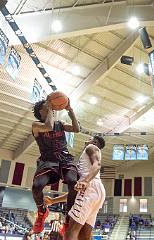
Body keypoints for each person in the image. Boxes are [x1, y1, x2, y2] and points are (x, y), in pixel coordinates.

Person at [31, 99, 80, 233]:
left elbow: (77, 129)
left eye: (49, 107)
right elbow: (48, 127)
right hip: (48, 161)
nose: (49, 108)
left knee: (73, 182)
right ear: (39, 111)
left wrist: (70, 110)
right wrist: (50, 107)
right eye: (45, 107)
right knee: (36, 187)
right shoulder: (36, 125)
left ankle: (68, 219)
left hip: (64, 159)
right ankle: (42, 212)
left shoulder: (60, 123)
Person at [44, 136, 106, 240]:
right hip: (96, 191)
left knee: (71, 232)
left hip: (90, 188)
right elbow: (76, 192)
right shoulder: (87, 160)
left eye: (91, 138)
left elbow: (97, 164)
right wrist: (54, 200)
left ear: (94, 142)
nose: (88, 138)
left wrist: (86, 181)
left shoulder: (91, 147)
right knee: (84, 235)